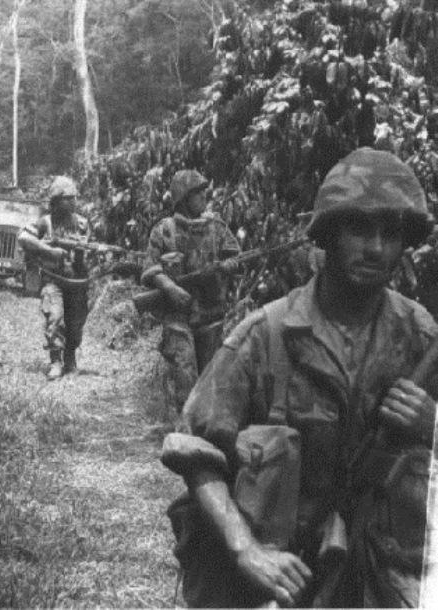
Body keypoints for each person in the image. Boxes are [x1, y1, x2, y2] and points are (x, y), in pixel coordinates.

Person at [169, 148, 437, 607]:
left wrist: (432, 424)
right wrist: (247, 551)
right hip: (278, 570)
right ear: (328, 234)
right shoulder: (266, 335)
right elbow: (195, 452)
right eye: (359, 228)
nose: (376, 248)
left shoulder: (420, 338)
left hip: (378, 572)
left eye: (390, 234)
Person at [142, 169, 239, 413]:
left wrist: (230, 265)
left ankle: (206, 432)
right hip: (178, 317)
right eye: (198, 194)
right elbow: (150, 270)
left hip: (210, 314)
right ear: (183, 198)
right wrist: (169, 287)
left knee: (211, 380)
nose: (204, 198)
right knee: (186, 375)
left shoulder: (216, 227)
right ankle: (185, 432)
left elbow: (235, 255)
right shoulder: (165, 230)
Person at [17, 176, 90, 380]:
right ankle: (56, 360)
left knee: (75, 323)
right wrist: (49, 251)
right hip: (52, 279)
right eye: (68, 198)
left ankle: (70, 357)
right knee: (55, 318)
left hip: (76, 281)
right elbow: (23, 238)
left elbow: (87, 257)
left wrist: (83, 253)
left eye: (74, 197)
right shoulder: (45, 222)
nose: (74, 202)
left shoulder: (82, 224)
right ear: (56, 201)